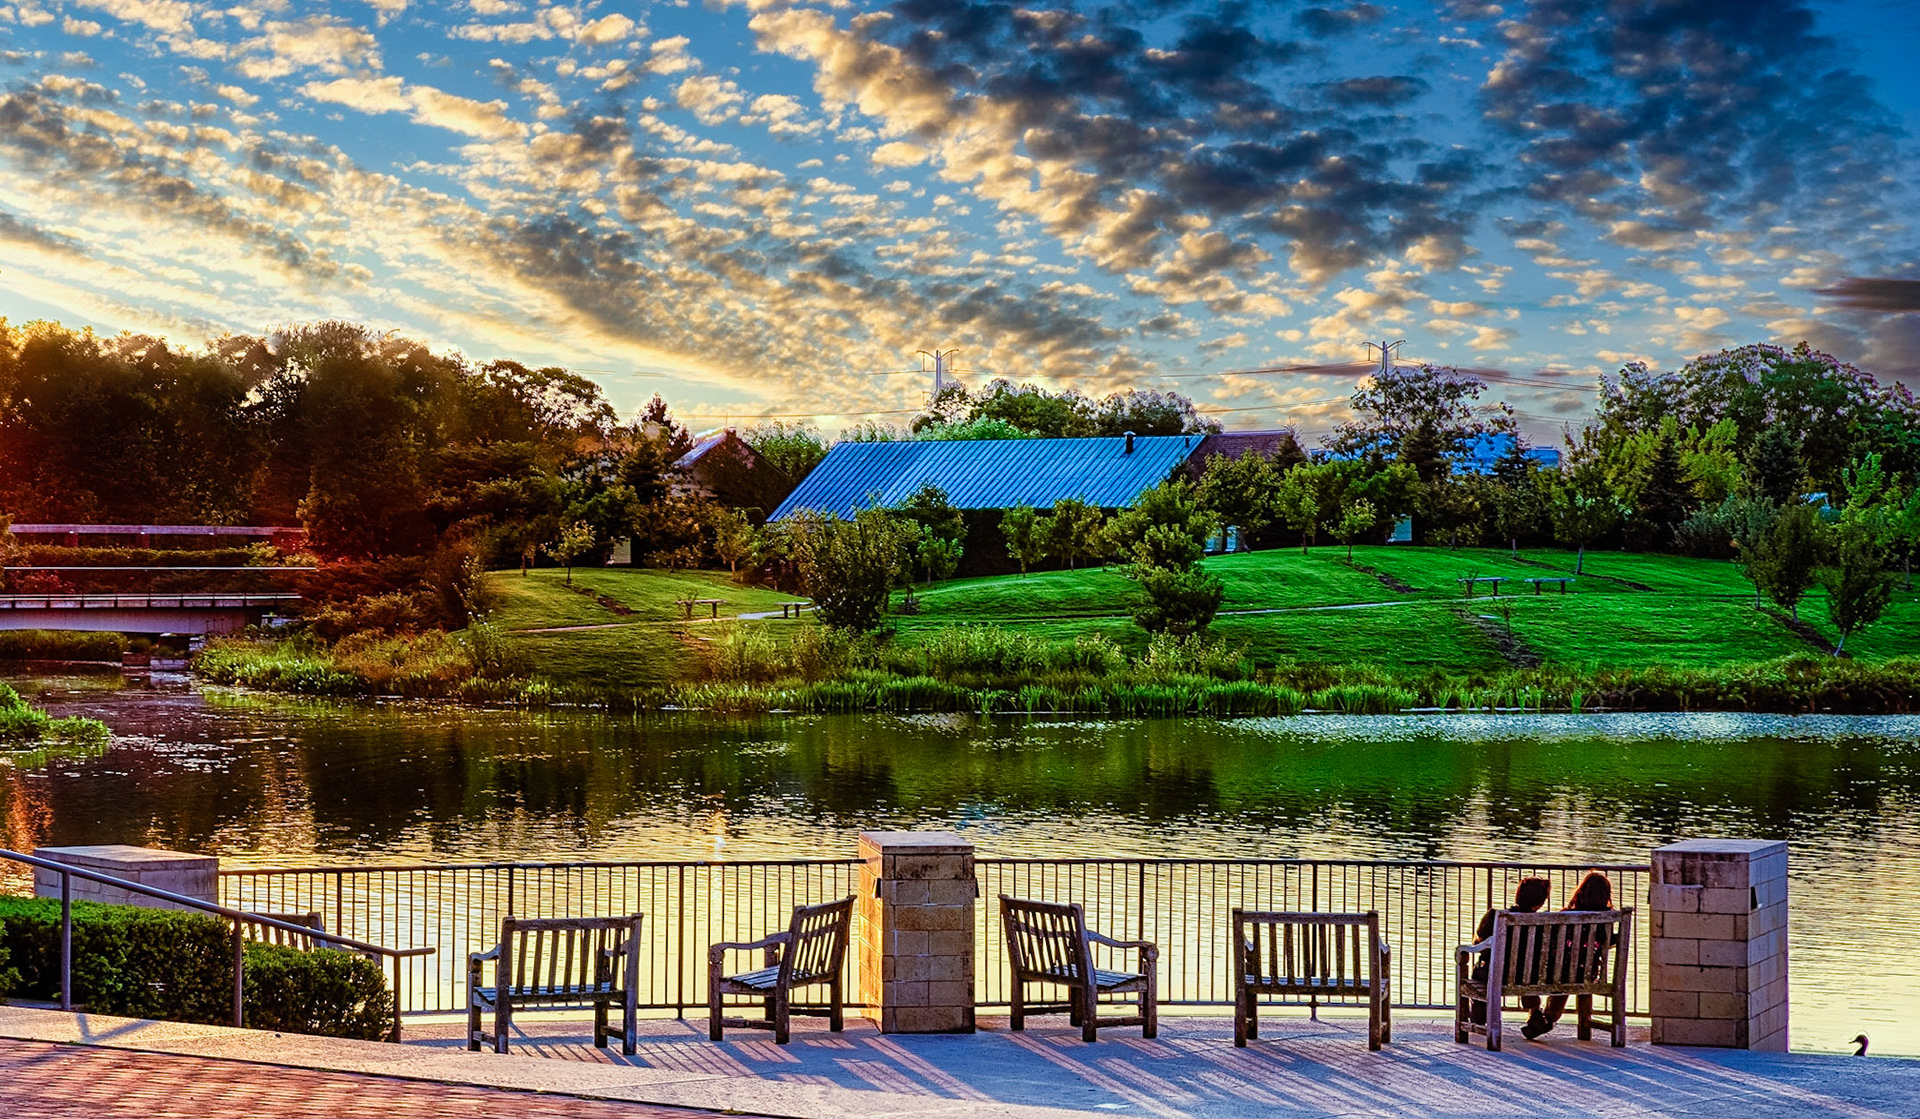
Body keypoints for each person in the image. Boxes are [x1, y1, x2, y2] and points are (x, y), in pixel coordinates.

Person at [1525, 871, 1615, 1040]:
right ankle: (1550, 1020)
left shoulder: (1565, 915)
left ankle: (1545, 1019)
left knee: (1565, 975)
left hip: (1558, 973)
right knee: (1577, 975)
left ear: (1579, 892)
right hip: (1588, 974)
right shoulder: (1606, 920)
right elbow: (1606, 943)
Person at [1469, 876, 1552, 1026]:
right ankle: (1534, 1011)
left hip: (1495, 975)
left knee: (1480, 969)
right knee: (1529, 968)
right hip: (1531, 978)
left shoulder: (1496, 916)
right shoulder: (1544, 923)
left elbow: (1478, 942)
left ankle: (1479, 1016)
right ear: (1540, 903)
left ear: (1518, 894)